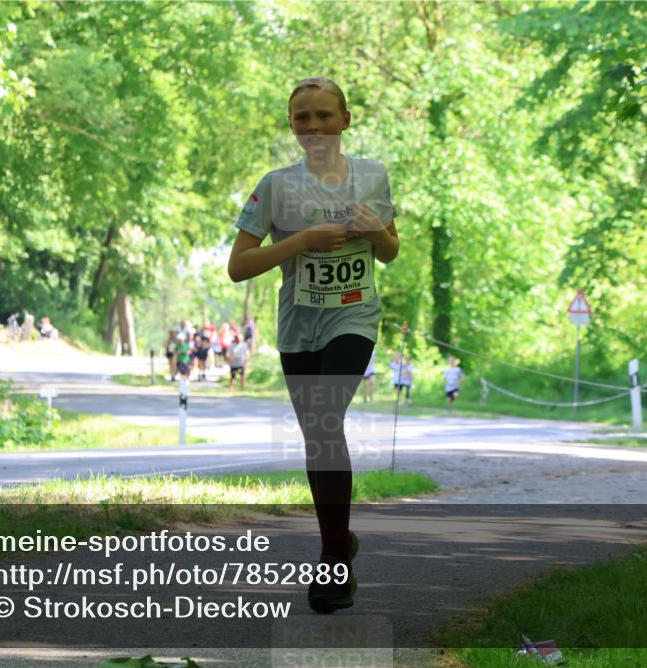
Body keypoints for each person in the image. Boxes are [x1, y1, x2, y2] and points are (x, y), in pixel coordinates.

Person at [227, 76, 399, 614]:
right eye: (303, 117)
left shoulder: (372, 176)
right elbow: (238, 267)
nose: (314, 125)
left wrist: (374, 232)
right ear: (292, 125)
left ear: (346, 120)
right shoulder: (276, 186)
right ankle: (337, 541)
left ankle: (331, 564)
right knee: (317, 437)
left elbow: (391, 252)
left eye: (325, 114)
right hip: (299, 324)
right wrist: (300, 241)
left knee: (325, 419)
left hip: (355, 313)